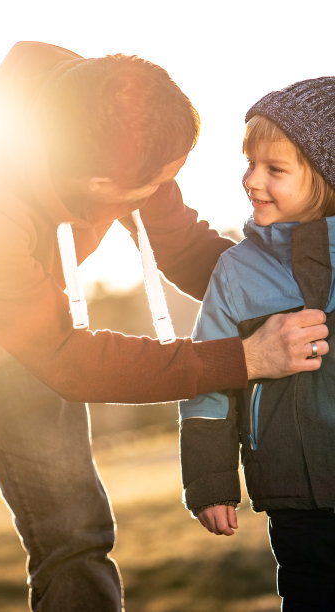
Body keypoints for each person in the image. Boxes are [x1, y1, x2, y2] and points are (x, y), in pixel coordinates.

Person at [0, 42, 328, 612]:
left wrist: (292, 290)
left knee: (73, 526)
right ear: (99, 184)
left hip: (19, 305)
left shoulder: (113, 116)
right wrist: (246, 357)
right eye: (152, 184)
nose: (163, 190)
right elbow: (69, 361)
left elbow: (178, 243)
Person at [179, 76, 335, 612]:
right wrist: (210, 480)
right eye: (249, 164)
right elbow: (208, 384)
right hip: (296, 497)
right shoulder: (237, 273)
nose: (252, 181)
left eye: (275, 169)